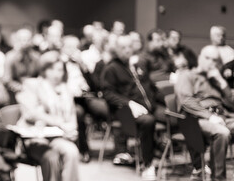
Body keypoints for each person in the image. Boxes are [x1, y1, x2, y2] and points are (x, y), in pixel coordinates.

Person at [100, 35, 167, 180]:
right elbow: (108, 94)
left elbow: (151, 87)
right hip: (125, 112)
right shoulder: (111, 68)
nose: (127, 50)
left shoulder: (137, 65)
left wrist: (167, 102)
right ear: (116, 50)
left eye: (129, 47)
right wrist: (128, 103)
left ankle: (195, 164)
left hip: (150, 106)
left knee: (176, 117)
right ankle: (147, 164)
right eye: (123, 47)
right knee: (148, 121)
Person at [16, 51, 80, 181]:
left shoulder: (65, 89)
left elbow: (72, 115)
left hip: (59, 136)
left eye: (60, 70)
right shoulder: (32, 85)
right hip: (36, 136)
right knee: (56, 156)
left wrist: (72, 129)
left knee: (71, 151)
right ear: (44, 69)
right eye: (51, 69)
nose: (56, 74)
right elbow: (31, 113)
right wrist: (58, 123)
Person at [175, 45, 234, 181]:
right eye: (208, 58)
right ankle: (218, 178)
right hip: (196, 119)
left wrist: (220, 81)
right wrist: (210, 116)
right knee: (222, 133)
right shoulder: (187, 75)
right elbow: (186, 101)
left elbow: (231, 103)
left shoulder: (215, 79)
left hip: (222, 115)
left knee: (223, 129)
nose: (211, 63)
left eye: (215, 60)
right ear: (200, 57)